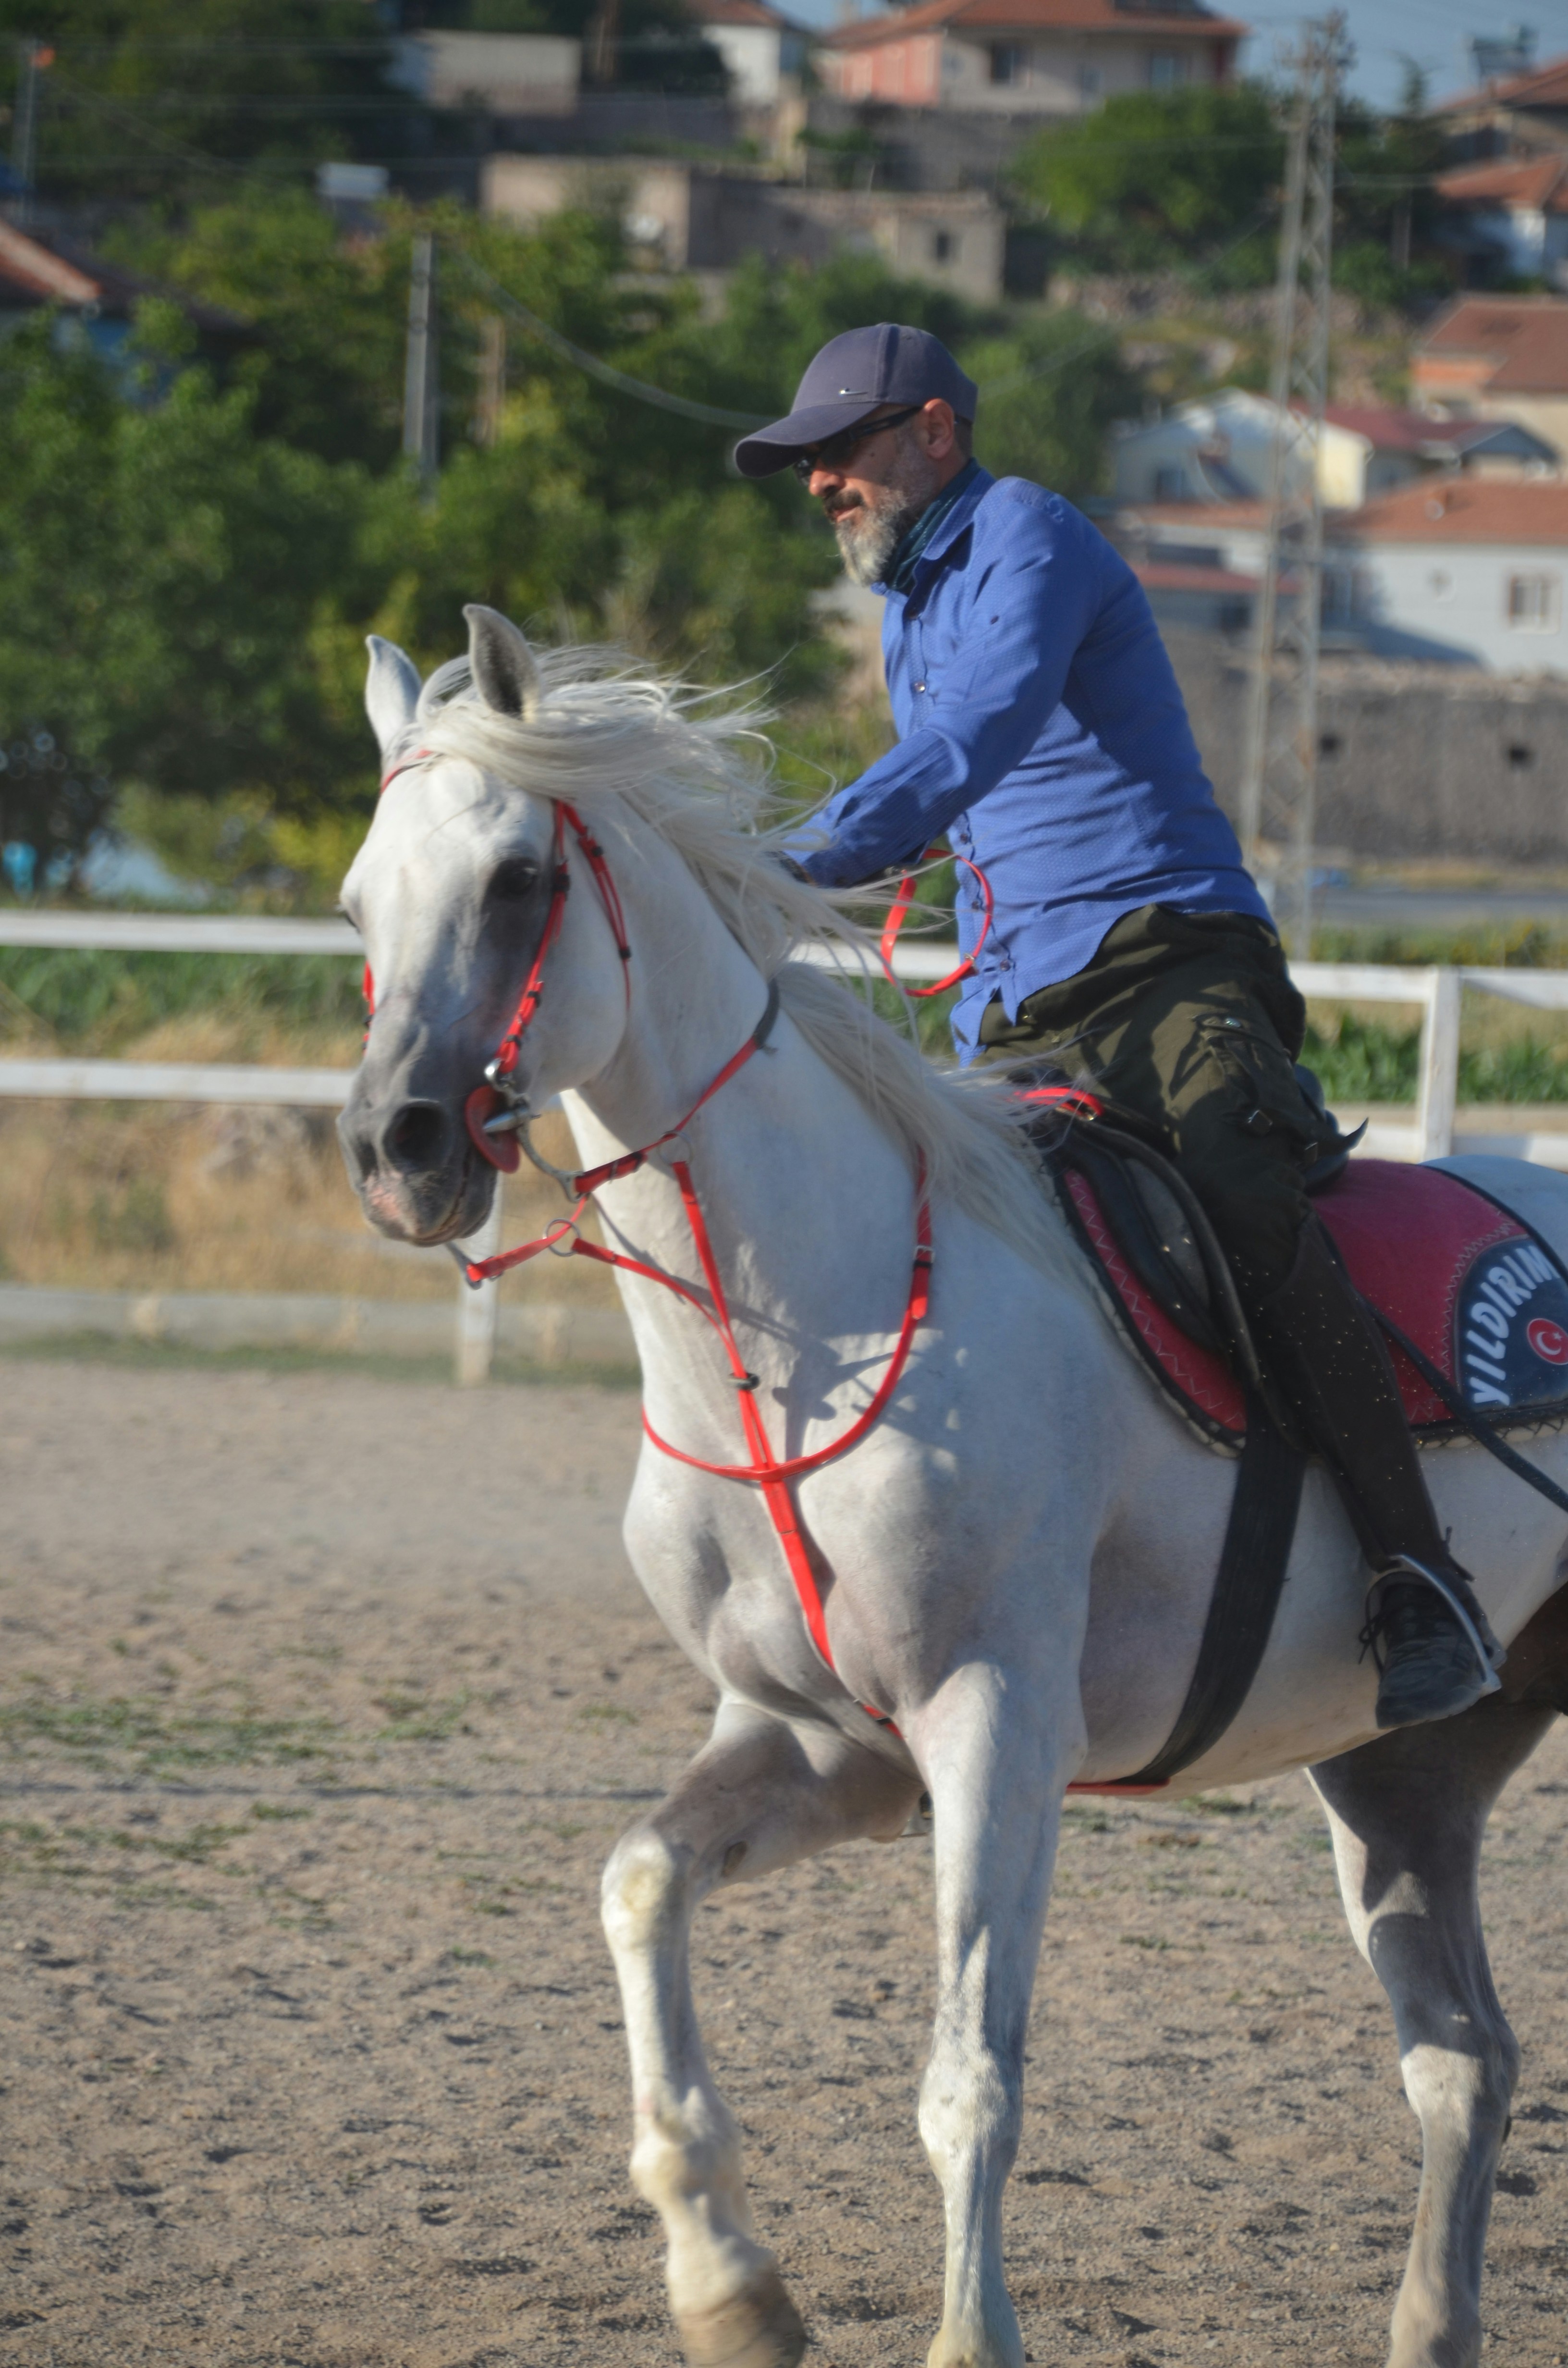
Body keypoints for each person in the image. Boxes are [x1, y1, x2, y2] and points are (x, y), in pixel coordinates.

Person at [735, 321, 1502, 1730]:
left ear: (934, 434)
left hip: (1167, 959)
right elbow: (957, 791)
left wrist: (781, 866)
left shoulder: (1031, 534)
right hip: (1016, 1002)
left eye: (840, 451)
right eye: (809, 464)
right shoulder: (910, 602)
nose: (820, 484)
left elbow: (977, 737)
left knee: (1243, 1192)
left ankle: (1419, 1577)